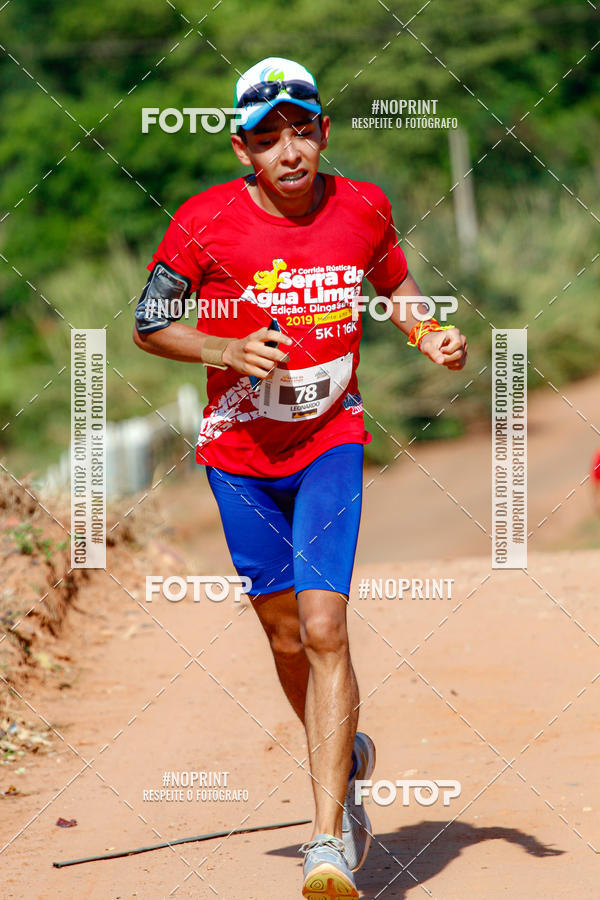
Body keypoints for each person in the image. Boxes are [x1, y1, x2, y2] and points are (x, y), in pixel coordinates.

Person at [133, 56, 467, 900]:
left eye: (302, 131)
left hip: (330, 442)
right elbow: (148, 324)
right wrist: (223, 348)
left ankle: (327, 837)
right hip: (239, 456)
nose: (290, 150)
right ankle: (346, 748)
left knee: (324, 630)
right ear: (244, 148)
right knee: (285, 637)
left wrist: (428, 337)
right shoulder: (203, 222)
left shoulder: (363, 206)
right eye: (268, 137)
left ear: (322, 132)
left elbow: (396, 285)